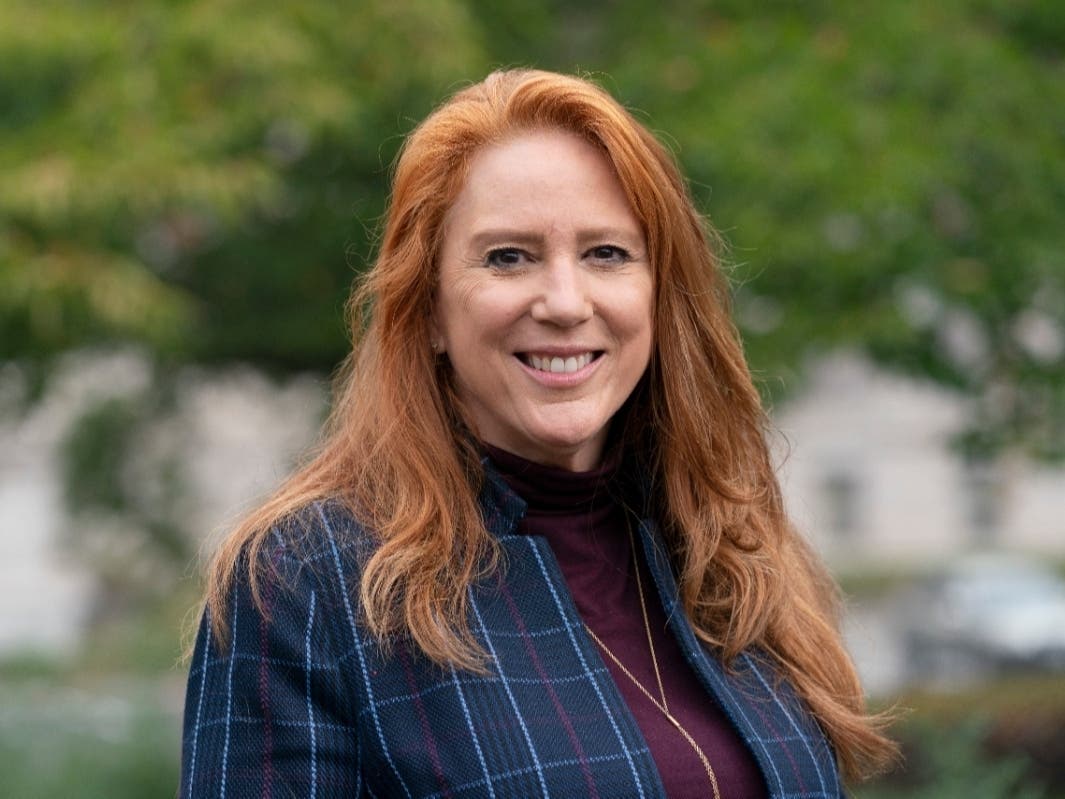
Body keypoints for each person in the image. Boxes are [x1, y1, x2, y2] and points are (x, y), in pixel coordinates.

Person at [180, 69, 896, 798]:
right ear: (426, 307)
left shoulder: (731, 542)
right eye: (507, 257)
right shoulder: (308, 576)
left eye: (605, 253)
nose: (563, 301)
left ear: (659, 293)